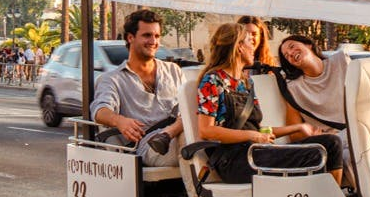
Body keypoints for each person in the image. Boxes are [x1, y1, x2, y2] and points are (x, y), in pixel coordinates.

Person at [196, 22, 342, 184]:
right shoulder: (212, 80)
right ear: (239, 47)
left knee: (331, 142)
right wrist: (253, 136)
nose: (254, 47)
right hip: (234, 161)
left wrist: (297, 127)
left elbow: (259, 130)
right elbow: (206, 130)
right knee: (314, 154)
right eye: (250, 42)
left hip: (258, 153)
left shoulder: (246, 83)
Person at [92, 9, 185, 167]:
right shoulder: (113, 79)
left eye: (156, 36)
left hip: (178, 132)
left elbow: (188, 106)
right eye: (147, 35)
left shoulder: (173, 70)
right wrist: (119, 121)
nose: (153, 41)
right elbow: (100, 111)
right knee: (190, 139)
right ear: (130, 38)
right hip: (149, 146)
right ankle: (200, 192)